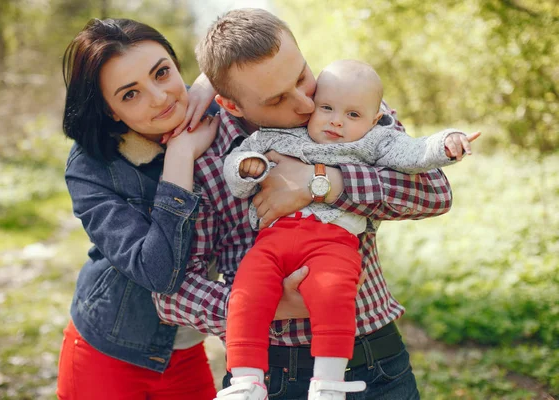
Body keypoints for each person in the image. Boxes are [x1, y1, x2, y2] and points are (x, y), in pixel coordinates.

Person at [154, 8, 454, 400]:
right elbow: (170, 292)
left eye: (301, 77)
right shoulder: (206, 157)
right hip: (265, 375)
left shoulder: (349, 107)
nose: (305, 104)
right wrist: (266, 304)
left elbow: (434, 193)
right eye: (278, 98)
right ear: (232, 105)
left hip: (373, 364)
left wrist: (325, 182)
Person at [220, 59, 480, 399]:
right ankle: (246, 380)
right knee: (246, 291)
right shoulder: (277, 134)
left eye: (353, 116)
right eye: (326, 108)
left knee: (333, 293)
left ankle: (328, 381)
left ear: (373, 120)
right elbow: (236, 166)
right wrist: (245, 167)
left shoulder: (374, 141)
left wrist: (447, 143)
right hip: (273, 240)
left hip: (333, 241)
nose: (336, 121)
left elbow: (415, 152)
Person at [56, 18, 220, 400]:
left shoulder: (223, 112)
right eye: (130, 94)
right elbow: (157, 271)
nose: (160, 97)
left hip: (185, 349)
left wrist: (215, 75)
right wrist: (180, 156)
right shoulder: (91, 166)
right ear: (111, 111)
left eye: (162, 73)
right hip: (109, 347)